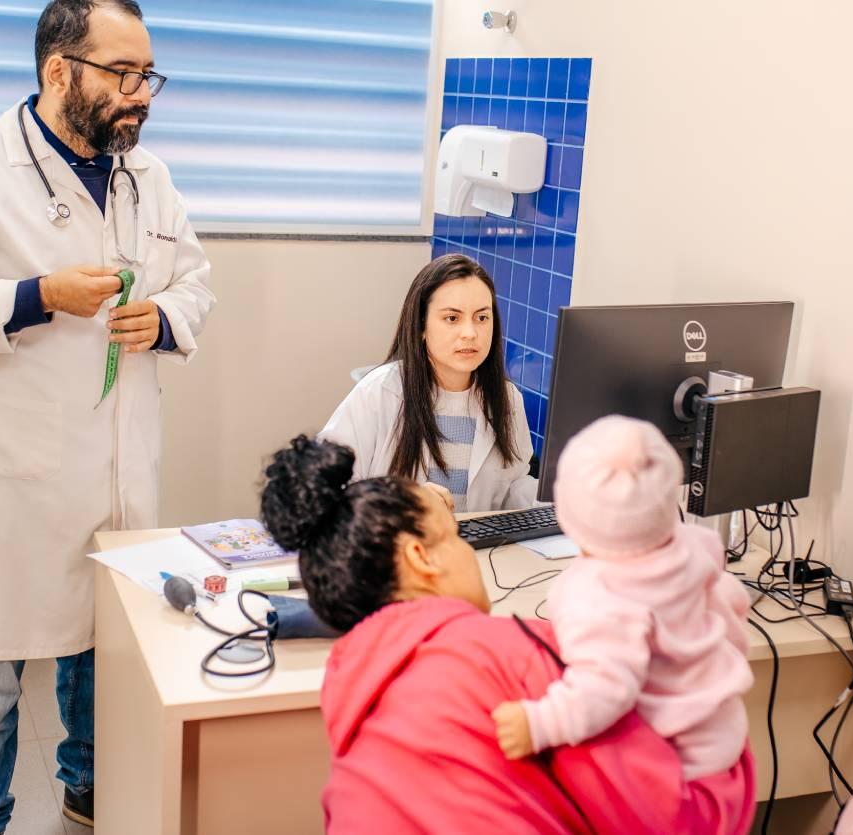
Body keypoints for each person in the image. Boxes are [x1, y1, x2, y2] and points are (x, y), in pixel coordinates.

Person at [0, 0, 214, 834]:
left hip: (114, 476)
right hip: (11, 483)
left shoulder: (149, 177)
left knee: (100, 659)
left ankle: (88, 788)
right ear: (58, 69)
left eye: (150, 74)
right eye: (124, 72)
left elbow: (196, 281)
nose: (141, 93)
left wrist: (167, 317)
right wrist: (36, 295)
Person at [259, 435, 756, 834]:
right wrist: (712, 709)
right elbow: (683, 821)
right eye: (454, 537)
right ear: (420, 558)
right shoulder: (509, 659)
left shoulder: (355, 697)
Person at [490, 416, 754, 784]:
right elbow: (733, 604)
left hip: (673, 766)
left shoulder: (597, 594)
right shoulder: (698, 546)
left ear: (569, 513)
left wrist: (538, 724)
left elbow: (605, 687)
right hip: (724, 739)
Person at [319, 254, 536, 513]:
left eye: (482, 318)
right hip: (393, 546)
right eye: (452, 319)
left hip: (473, 550)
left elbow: (513, 489)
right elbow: (325, 486)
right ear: (421, 326)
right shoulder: (380, 392)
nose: (470, 333)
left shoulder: (507, 399)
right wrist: (400, 500)